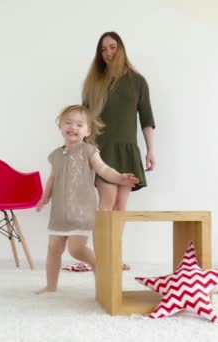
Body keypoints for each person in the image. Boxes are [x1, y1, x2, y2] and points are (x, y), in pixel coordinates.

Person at [34, 105, 139, 294]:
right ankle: (51, 286)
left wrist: (120, 177)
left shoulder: (89, 151)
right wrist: (45, 197)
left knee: (76, 249)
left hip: (81, 211)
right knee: (53, 249)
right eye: (68, 122)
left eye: (79, 124)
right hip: (59, 212)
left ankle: (100, 267)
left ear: (88, 131)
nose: (73, 127)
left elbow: (103, 169)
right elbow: (53, 178)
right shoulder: (56, 154)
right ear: (60, 126)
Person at [82, 32, 156, 267]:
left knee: (121, 206)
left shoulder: (138, 81)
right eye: (103, 50)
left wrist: (150, 150)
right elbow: (83, 119)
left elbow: (146, 119)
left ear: (121, 48)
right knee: (107, 199)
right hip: (100, 150)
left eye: (112, 47)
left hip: (127, 151)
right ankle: (101, 258)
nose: (108, 53)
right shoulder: (94, 82)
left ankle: (115, 256)